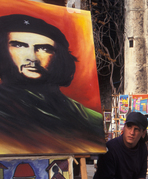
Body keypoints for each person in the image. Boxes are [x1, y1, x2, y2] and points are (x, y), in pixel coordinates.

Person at [0, 14, 105, 155]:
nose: (32, 58)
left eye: (44, 48)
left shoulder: (90, 118)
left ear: (58, 56)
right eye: (19, 45)